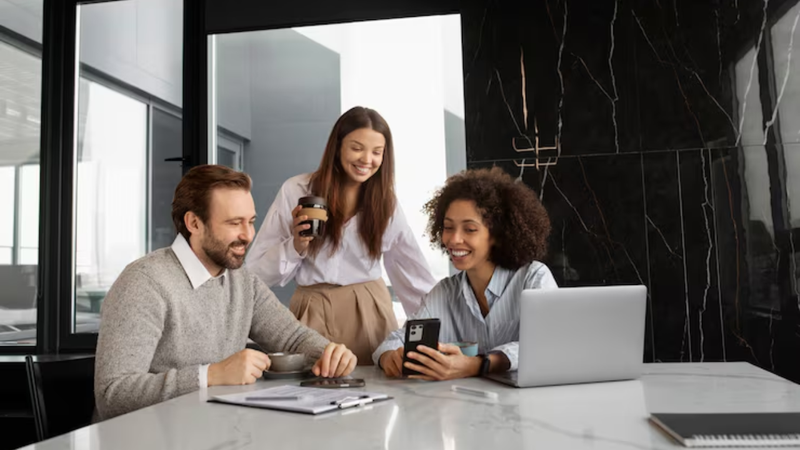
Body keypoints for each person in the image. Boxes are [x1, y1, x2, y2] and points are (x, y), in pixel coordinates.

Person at [94, 165, 356, 420]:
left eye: (251, 222)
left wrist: (329, 355)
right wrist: (210, 375)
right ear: (194, 223)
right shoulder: (144, 283)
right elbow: (113, 395)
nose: (248, 235)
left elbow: (292, 338)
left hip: (217, 432)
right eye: (234, 223)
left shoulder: (241, 281)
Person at [246, 107, 437, 364]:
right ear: (337, 146)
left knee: (374, 392)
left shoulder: (385, 203)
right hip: (311, 310)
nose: (366, 159)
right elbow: (256, 272)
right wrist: (297, 245)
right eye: (357, 148)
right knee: (308, 393)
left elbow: (412, 273)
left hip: (369, 310)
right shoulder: (297, 190)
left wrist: (436, 333)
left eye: (377, 152)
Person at [373, 167, 557, 381]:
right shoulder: (444, 292)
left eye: (469, 229)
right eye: (448, 227)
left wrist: (478, 364)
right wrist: (389, 358)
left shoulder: (533, 278)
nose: (454, 239)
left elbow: (550, 343)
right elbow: (393, 342)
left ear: (497, 235)